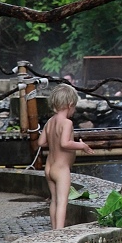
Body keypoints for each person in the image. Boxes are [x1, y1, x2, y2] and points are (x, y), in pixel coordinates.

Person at [38, 84, 94, 229]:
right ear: (70, 105)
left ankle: (53, 230)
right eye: (74, 107)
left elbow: (41, 142)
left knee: (54, 201)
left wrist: (52, 140)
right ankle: (59, 233)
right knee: (63, 201)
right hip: (61, 169)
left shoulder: (50, 122)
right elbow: (65, 143)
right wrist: (82, 146)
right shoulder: (67, 123)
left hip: (49, 167)